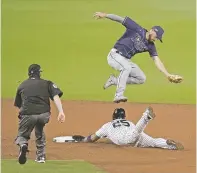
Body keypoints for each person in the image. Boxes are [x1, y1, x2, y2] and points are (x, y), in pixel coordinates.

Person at [93, 12, 183, 103]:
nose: (156, 39)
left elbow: (157, 60)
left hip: (125, 60)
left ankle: (114, 81)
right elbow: (120, 19)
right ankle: (118, 95)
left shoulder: (150, 45)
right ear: (152, 30)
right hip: (114, 55)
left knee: (141, 78)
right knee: (126, 67)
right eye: (157, 36)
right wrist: (105, 15)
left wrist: (167, 74)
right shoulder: (137, 29)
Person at [14, 64, 65, 164]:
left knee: (22, 135)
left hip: (28, 114)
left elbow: (19, 105)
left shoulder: (22, 85)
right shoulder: (47, 83)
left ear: (29, 73)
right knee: (40, 130)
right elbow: (55, 96)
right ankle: (41, 156)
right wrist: (61, 111)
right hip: (44, 115)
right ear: (39, 73)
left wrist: (24, 115)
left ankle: (23, 144)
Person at [72, 107, 184, 150]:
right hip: (135, 135)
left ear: (113, 117)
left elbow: (92, 138)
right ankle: (168, 144)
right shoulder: (128, 122)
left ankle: (145, 117)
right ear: (124, 117)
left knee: (134, 135)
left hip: (125, 141)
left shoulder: (107, 125)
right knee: (152, 141)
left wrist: (83, 139)